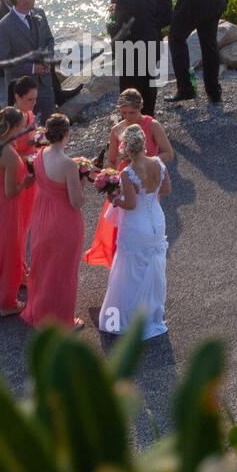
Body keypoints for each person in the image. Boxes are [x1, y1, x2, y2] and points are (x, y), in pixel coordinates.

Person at [84, 88, 172, 268]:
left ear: (140, 107)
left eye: (132, 112)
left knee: (146, 220)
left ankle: (144, 263)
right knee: (122, 226)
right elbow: (111, 160)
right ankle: (123, 264)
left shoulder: (152, 124)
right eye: (123, 113)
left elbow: (168, 153)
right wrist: (109, 176)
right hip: (125, 180)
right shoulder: (117, 129)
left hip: (145, 178)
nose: (128, 117)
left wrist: (146, 162)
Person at [99, 124, 171, 339]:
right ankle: (151, 315)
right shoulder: (158, 163)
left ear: (126, 148)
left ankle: (128, 318)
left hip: (136, 224)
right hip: (157, 220)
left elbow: (130, 204)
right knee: (153, 268)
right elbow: (167, 190)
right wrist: (150, 193)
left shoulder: (127, 173)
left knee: (130, 270)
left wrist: (114, 199)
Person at [21, 113, 87, 331]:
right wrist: (82, 179)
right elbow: (76, 202)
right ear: (66, 134)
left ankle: (41, 314)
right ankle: (63, 322)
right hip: (63, 221)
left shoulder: (39, 154)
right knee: (64, 273)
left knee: (44, 269)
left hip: (41, 218)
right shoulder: (69, 165)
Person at [0, 107, 33, 316]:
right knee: (9, 248)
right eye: (22, 126)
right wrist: (26, 183)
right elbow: (11, 192)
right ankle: (6, 303)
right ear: (13, 127)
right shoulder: (9, 154)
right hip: (4, 203)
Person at [0, 0, 56, 121]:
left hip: (44, 85)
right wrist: (33, 68)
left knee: (49, 126)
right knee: (24, 129)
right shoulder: (3, 26)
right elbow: (3, 61)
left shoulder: (39, 14)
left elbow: (49, 40)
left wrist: (47, 58)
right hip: (22, 90)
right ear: (19, 0)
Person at [110, 0, 161, 117]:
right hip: (150, 44)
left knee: (129, 90)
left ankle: (132, 122)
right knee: (148, 85)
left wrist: (111, 20)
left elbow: (121, 30)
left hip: (132, 50)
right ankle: (149, 118)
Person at [10, 75, 41, 232]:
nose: (34, 103)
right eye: (30, 99)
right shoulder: (10, 121)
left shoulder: (29, 113)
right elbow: (6, 153)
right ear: (17, 97)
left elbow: (30, 139)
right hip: (18, 170)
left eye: (35, 99)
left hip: (31, 167)